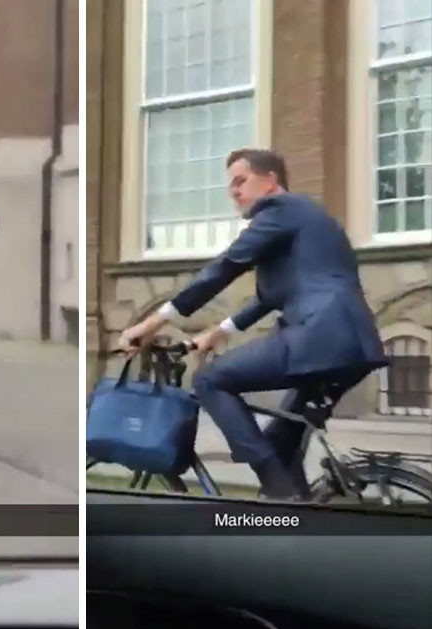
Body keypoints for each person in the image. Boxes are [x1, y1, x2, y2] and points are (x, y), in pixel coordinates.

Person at [118, 148, 387, 499]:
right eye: (229, 185)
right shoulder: (308, 218)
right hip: (353, 342)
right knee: (280, 443)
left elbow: (227, 265)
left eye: (241, 181)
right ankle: (296, 516)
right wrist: (220, 331)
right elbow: (271, 296)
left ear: (270, 180)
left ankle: (279, 492)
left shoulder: (280, 210)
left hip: (319, 334)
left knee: (211, 380)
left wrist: (152, 324)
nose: (233, 191)